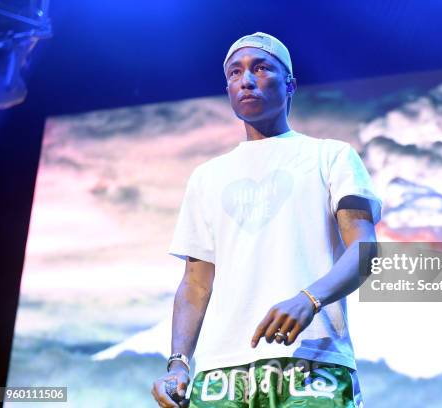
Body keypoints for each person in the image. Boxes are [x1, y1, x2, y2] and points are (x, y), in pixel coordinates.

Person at [151, 32, 382, 408]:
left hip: (312, 360)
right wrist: (178, 362)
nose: (246, 79)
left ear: (290, 84)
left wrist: (311, 299)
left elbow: (366, 249)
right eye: (235, 72)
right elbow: (195, 282)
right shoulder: (207, 176)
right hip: (221, 371)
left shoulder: (331, 156)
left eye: (260, 68)